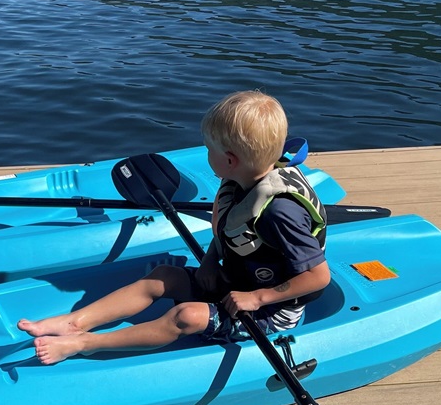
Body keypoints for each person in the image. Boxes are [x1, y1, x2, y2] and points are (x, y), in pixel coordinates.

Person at [18, 90, 332, 365]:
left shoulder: (280, 211)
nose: (206, 155)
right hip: (235, 281)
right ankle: (74, 323)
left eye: (210, 150)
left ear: (231, 160)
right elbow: (233, 231)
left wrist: (258, 299)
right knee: (164, 277)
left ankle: (83, 344)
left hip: (268, 313)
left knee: (186, 317)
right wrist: (210, 261)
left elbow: (318, 277)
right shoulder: (240, 181)